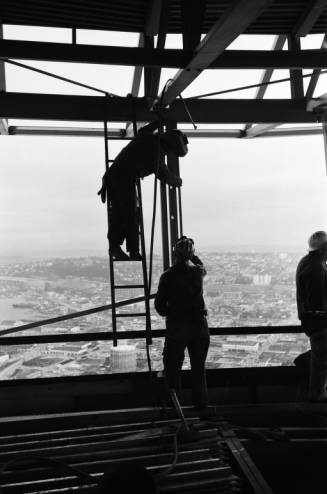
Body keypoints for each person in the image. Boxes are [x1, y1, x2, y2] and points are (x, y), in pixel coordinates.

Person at [98, 121, 187, 260]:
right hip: (123, 177)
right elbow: (162, 173)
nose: (168, 154)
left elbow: (145, 129)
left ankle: (120, 248)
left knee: (121, 213)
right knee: (129, 214)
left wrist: (160, 121)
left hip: (115, 176)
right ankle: (130, 250)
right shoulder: (156, 150)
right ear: (169, 146)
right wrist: (178, 181)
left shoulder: (147, 136)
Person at [155, 236, 210, 409]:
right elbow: (200, 265)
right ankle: (201, 408)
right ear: (191, 254)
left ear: (174, 255)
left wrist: (172, 312)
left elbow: (159, 306)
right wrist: (192, 253)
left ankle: (175, 408)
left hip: (178, 326)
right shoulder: (198, 273)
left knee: (172, 369)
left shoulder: (168, 276)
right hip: (199, 326)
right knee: (199, 369)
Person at [296, 230, 327, 402]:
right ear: (324, 248)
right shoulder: (316, 267)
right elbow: (316, 300)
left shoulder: (308, 262)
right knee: (321, 362)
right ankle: (317, 397)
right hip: (319, 323)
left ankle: (317, 395)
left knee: (319, 359)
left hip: (313, 322)